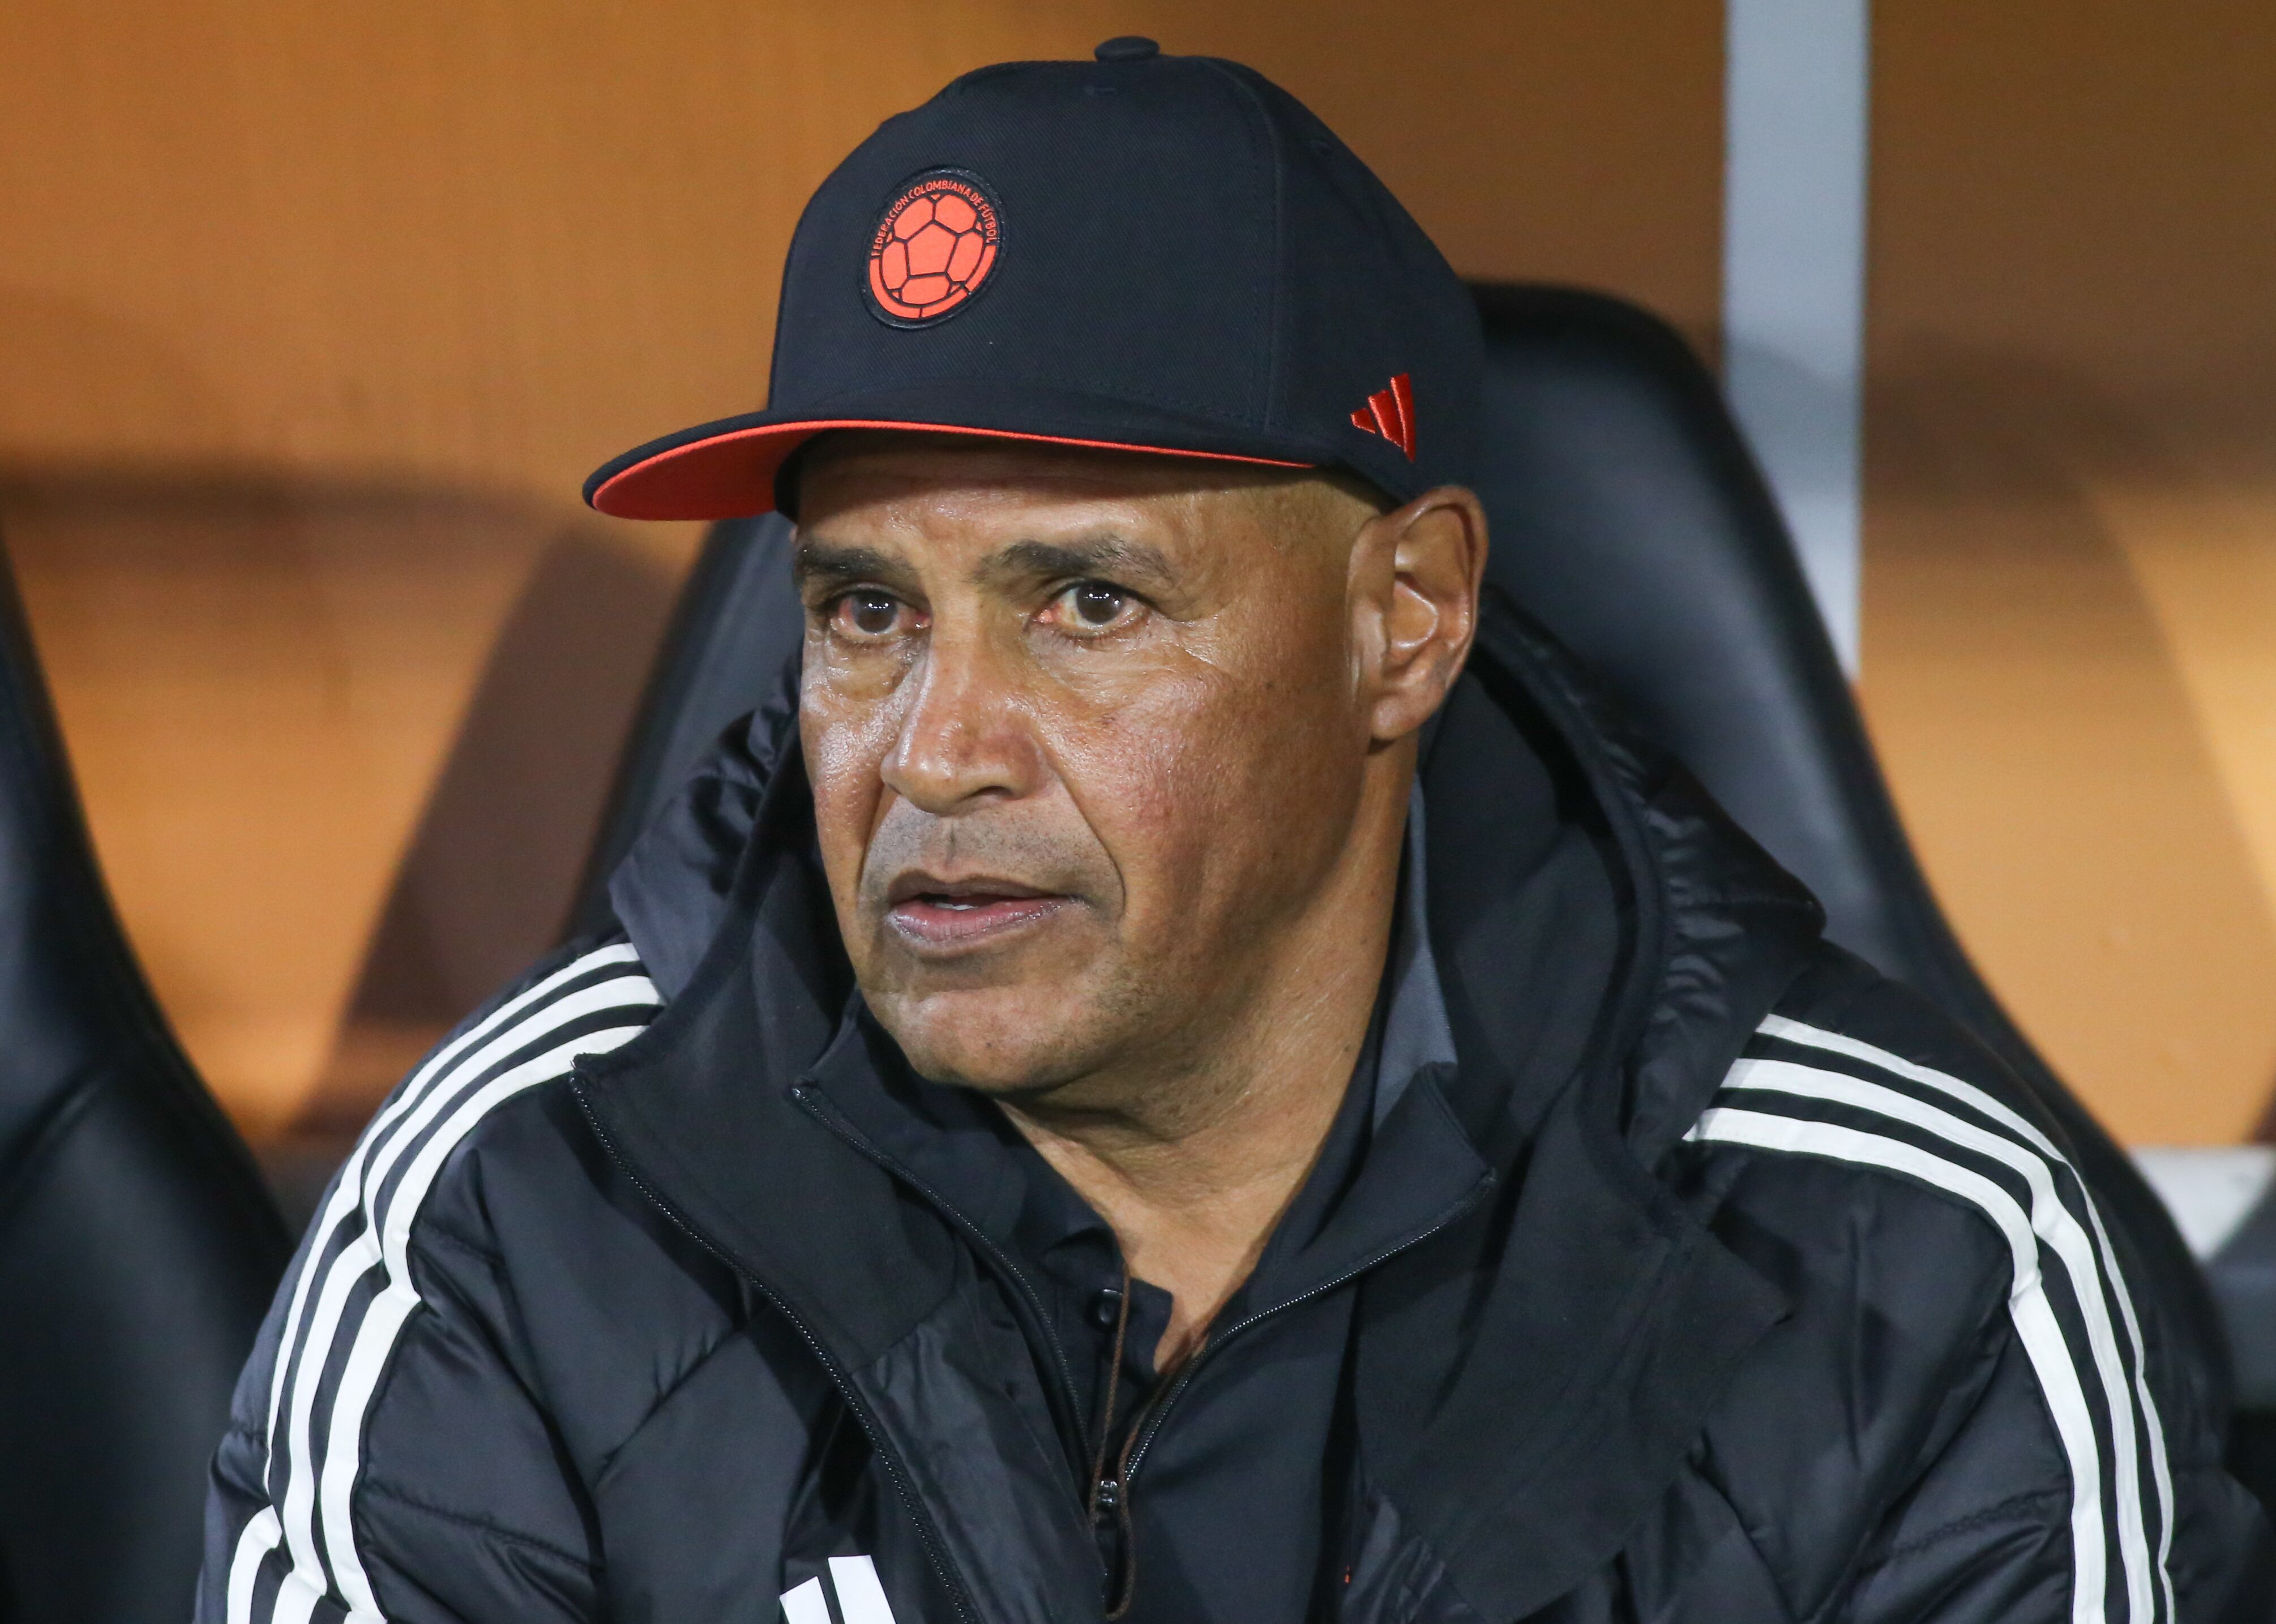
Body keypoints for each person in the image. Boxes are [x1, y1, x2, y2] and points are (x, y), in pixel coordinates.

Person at [200, 39, 2268, 1624]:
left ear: (1405, 621)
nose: (934, 755)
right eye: (866, 613)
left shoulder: (1906, 1259)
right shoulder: (518, 1199)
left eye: (1089, 604)